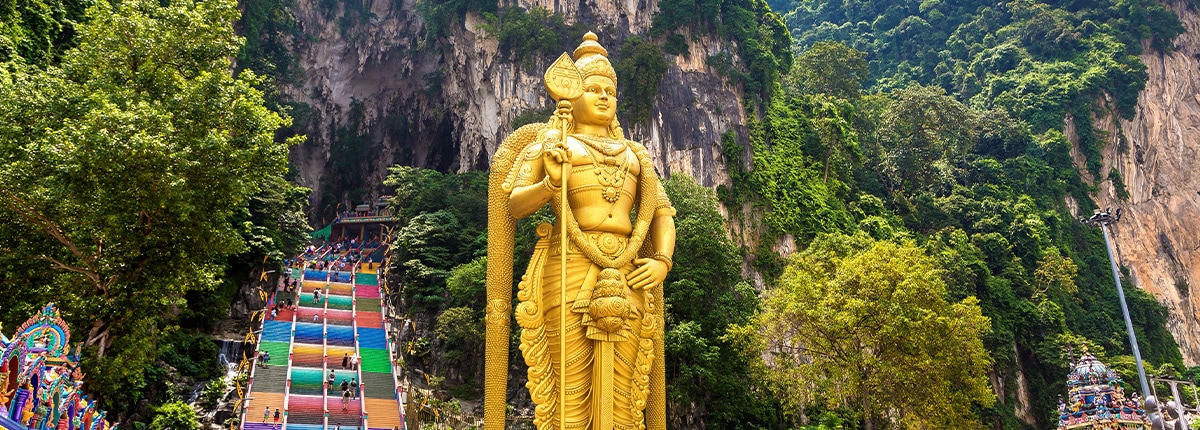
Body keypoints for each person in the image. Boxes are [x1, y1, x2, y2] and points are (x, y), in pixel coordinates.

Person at [485, 32, 675, 430]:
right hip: (567, 267)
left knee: (625, 398)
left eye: (610, 90)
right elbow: (514, 204)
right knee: (568, 392)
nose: (604, 96)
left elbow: (660, 213)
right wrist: (550, 183)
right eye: (593, 88)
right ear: (571, 95)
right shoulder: (553, 143)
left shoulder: (637, 154)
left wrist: (662, 261)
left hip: (628, 273)